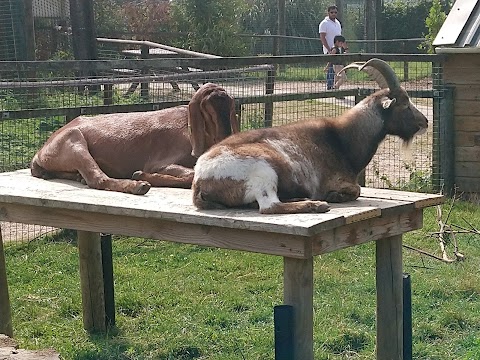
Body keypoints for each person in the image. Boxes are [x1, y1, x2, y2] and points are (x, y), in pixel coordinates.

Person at [319, 5, 342, 90]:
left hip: (337, 49)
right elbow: (322, 37)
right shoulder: (324, 23)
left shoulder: (338, 23)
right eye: (332, 12)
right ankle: (330, 86)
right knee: (331, 68)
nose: (334, 14)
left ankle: (335, 87)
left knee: (336, 68)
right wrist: (329, 50)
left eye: (335, 12)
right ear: (328, 12)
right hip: (329, 49)